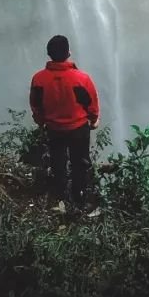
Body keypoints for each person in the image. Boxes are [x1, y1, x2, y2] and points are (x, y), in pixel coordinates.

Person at [29, 35, 100, 206]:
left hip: (54, 129)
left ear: (49, 54)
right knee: (80, 163)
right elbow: (91, 103)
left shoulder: (39, 79)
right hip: (78, 129)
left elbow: (35, 104)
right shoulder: (81, 78)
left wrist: (40, 121)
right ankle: (80, 198)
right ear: (68, 52)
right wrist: (94, 119)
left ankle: (59, 196)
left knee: (58, 161)